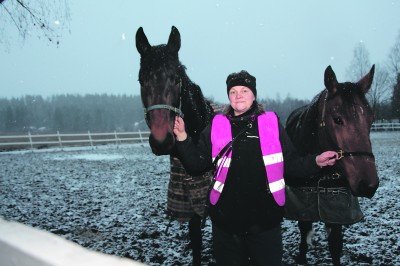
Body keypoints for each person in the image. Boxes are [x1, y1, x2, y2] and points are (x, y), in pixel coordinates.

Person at [173, 70, 339, 266]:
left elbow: (291, 163)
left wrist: (315, 161)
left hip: (265, 223)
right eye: (233, 92)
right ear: (229, 97)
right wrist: (182, 137)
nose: (238, 95)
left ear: (253, 95)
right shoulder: (217, 125)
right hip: (226, 224)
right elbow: (196, 165)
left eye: (244, 90)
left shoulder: (271, 123)